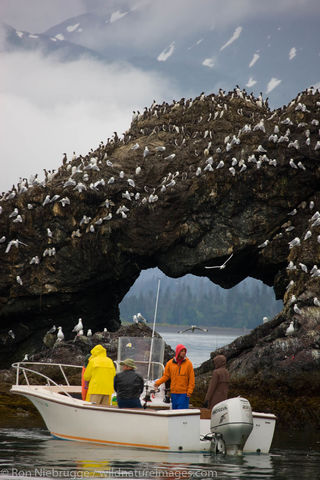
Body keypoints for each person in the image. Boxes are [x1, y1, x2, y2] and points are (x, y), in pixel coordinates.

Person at [154, 344, 195, 409]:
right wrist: (157, 383)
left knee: (181, 413)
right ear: (178, 352)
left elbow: (191, 379)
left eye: (184, 351)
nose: (184, 353)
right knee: (174, 412)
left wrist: (189, 392)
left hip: (184, 394)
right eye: (182, 351)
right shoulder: (170, 363)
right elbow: (166, 376)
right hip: (173, 393)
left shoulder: (188, 364)